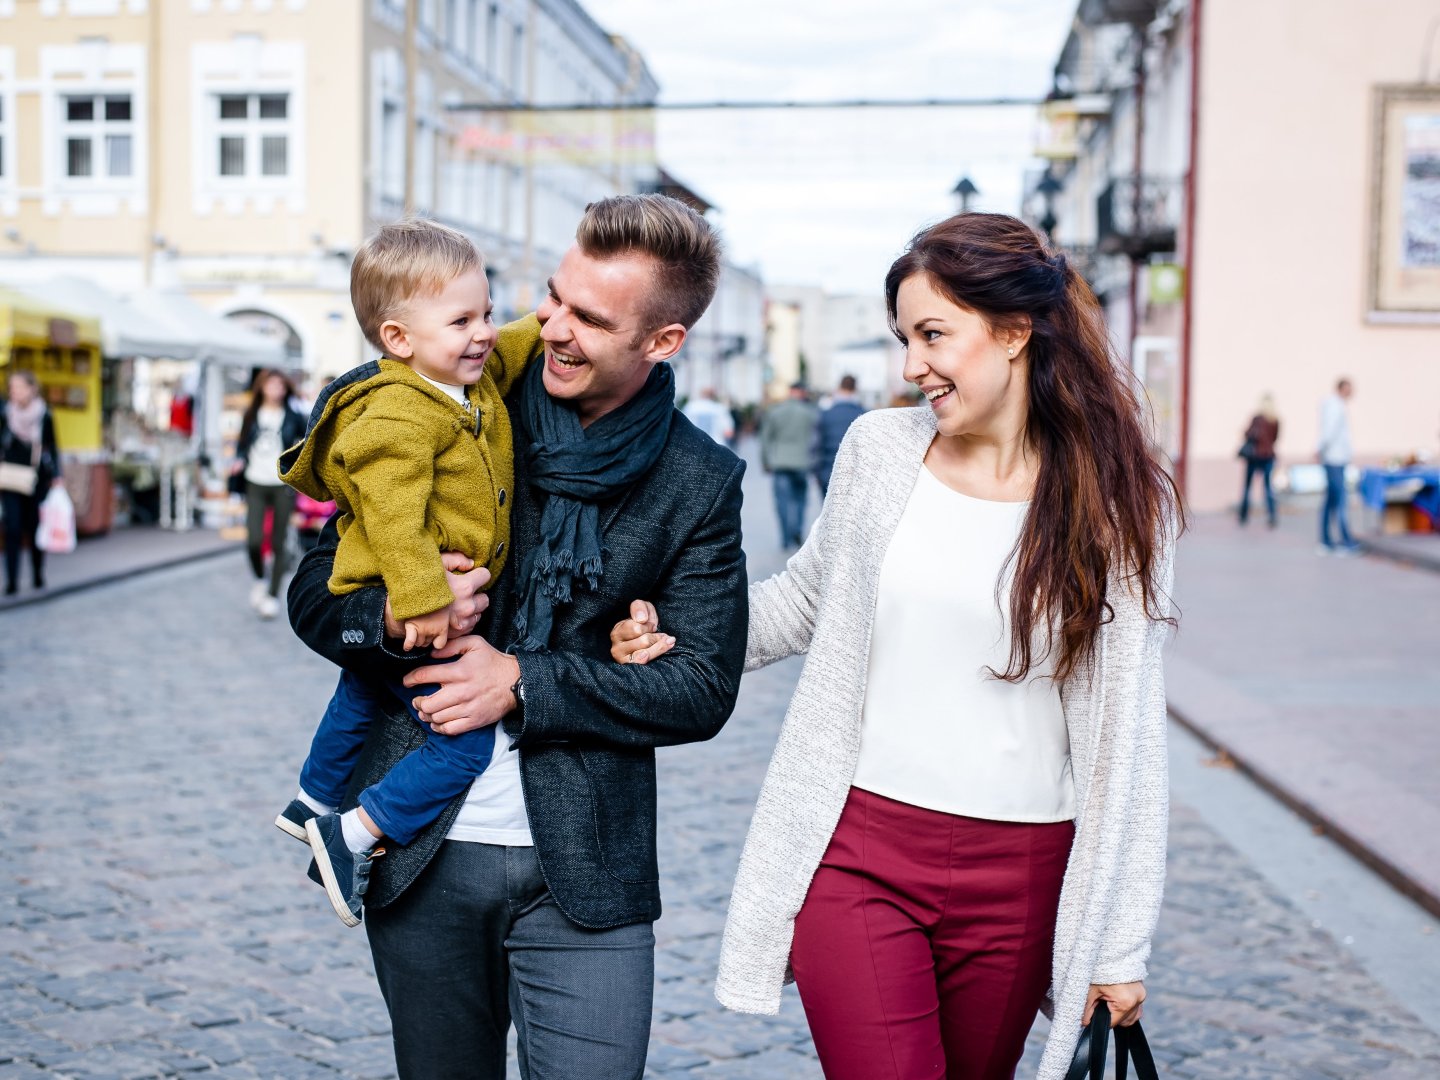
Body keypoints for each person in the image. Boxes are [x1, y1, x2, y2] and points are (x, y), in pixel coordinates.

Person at [614, 213, 1180, 1080]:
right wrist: (680, 633)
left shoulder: (1114, 505)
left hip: (1024, 870)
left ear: (1015, 332)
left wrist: (1120, 944)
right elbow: (807, 602)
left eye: (932, 335)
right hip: (861, 850)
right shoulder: (881, 452)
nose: (912, 364)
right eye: (902, 338)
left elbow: (1131, 733)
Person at [286, 193, 748, 1079]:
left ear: (662, 342)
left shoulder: (697, 477)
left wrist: (523, 680)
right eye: (553, 297)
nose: (551, 328)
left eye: (590, 318)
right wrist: (390, 615)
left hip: (587, 870)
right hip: (421, 851)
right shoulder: (459, 398)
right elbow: (318, 590)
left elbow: (701, 688)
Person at [273, 218, 538, 927]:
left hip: (412, 592)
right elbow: (392, 514)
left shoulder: (462, 380)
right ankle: (352, 831)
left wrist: (543, 319)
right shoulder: (397, 410)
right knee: (463, 747)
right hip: (418, 599)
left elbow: (509, 349)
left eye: (486, 312)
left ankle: (313, 796)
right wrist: (422, 602)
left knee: (361, 690)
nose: (483, 332)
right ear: (399, 339)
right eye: (462, 320)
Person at [233, 369, 306, 618]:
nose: (276, 388)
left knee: (279, 542)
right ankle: (259, 579)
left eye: (280, 384)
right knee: (253, 539)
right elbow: (242, 445)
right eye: (271, 384)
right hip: (255, 482)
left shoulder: (294, 416)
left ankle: (273, 595)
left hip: (282, 485)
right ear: (262, 387)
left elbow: (305, 445)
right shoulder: (252, 414)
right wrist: (239, 460)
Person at [1, 370, 62, 595]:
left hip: (37, 479)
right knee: (12, 528)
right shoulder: (5, 413)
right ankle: (12, 582)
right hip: (10, 479)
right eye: (12, 388)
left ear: (32, 388)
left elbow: (53, 447)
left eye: (19, 387)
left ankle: (37, 574)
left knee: (35, 528)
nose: (15, 392)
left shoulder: (44, 414)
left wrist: (57, 475)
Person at [759, 381, 818, 548]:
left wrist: (765, 461)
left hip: (780, 462)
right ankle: (797, 530)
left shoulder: (775, 411)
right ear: (802, 392)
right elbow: (816, 439)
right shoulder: (810, 412)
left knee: (782, 502)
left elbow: (765, 439)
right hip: (802, 462)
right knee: (800, 500)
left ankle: (785, 537)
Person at [1318, 377, 1358, 554]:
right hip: (1335, 459)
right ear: (1342, 388)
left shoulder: (1335, 405)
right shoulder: (1335, 406)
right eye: (1349, 389)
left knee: (1331, 500)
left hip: (1334, 458)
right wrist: (1319, 448)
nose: (1351, 392)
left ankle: (1326, 540)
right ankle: (1344, 540)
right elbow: (1329, 431)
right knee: (1340, 500)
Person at [812, 373, 865, 498]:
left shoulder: (826, 414)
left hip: (828, 471)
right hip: (855, 474)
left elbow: (816, 445)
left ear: (839, 387)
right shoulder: (864, 414)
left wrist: (816, 471)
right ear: (855, 389)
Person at [1238, 393, 1280, 527]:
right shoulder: (1275, 420)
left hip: (1255, 456)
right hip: (1268, 456)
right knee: (1268, 488)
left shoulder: (1257, 418)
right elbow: (1275, 438)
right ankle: (1271, 515)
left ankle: (1243, 515)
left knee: (1247, 487)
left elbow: (1247, 434)